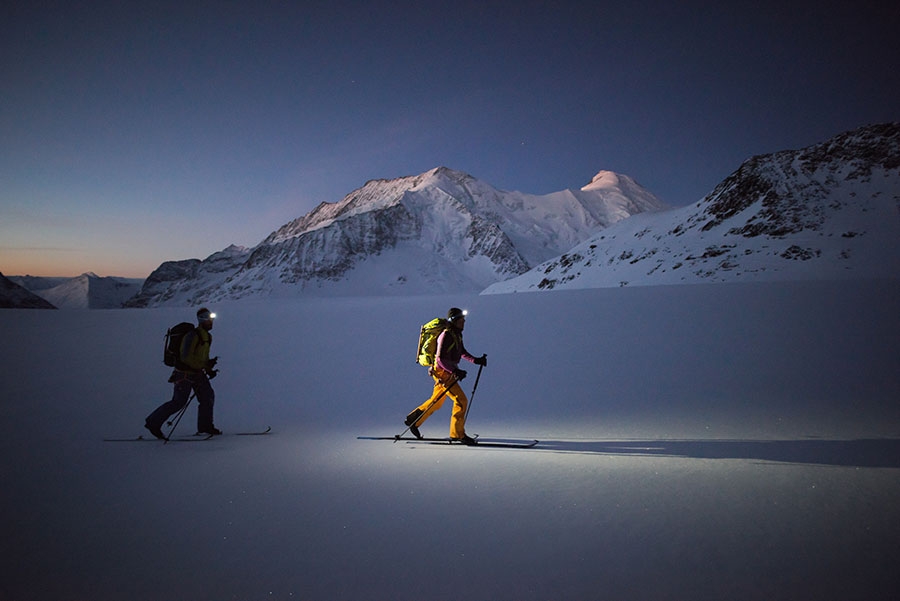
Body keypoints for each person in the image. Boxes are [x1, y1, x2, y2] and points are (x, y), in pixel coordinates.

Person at [404, 307, 486, 445]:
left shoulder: (457, 334)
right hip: (443, 373)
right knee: (461, 401)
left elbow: (461, 351)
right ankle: (458, 434)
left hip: (446, 372)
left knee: (437, 401)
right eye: (461, 319)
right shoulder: (446, 335)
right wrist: (455, 371)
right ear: (454, 320)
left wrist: (476, 360)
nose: (464, 321)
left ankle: (414, 420)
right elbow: (440, 359)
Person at [145, 307, 221, 439]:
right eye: (209, 320)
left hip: (197, 373)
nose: (211, 322)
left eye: (212, 320)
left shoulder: (208, 337)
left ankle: (205, 427)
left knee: (207, 397)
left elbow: (203, 356)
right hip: (184, 374)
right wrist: (204, 365)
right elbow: (186, 356)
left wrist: (209, 369)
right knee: (178, 402)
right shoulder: (192, 335)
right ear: (201, 320)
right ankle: (153, 422)